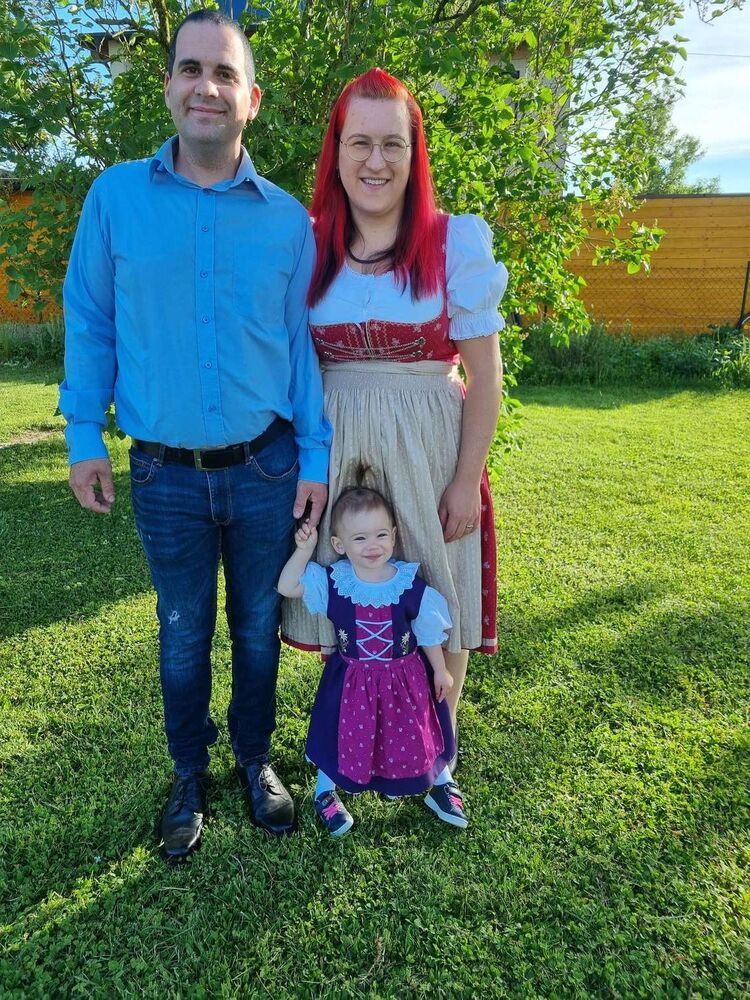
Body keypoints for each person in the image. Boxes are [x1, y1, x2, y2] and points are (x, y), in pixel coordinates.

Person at [59, 9, 331, 860]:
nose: (205, 86)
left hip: (265, 469)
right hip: (164, 475)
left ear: (251, 99)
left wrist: (316, 456)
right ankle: (189, 772)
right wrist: (82, 435)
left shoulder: (288, 222)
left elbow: (301, 348)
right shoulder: (115, 200)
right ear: (169, 85)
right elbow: (90, 320)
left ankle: (255, 760)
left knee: (254, 628)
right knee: (182, 632)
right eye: (190, 69)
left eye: (224, 74)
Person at [282, 68, 508, 770]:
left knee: (437, 589)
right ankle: (353, 739)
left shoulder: (453, 243)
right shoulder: (307, 241)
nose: (375, 161)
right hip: (336, 440)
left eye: (392, 144)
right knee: (347, 591)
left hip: (430, 444)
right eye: (359, 143)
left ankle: (437, 751)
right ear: (336, 153)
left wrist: (466, 479)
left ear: (414, 154)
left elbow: (485, 378)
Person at [278, 477, 469, 836]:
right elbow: (287, 586)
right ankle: (325, 792)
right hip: (351, 682)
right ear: (339, 544)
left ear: (394, 536)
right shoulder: (335, 582)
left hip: (405, 679)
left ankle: (440, 784)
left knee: (418, 731)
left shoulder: (408, 583)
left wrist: (440, 670)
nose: (372, 545)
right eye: (360, 538)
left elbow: (428, 631)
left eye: (381, 534)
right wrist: (304, 550)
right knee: (339, 735)